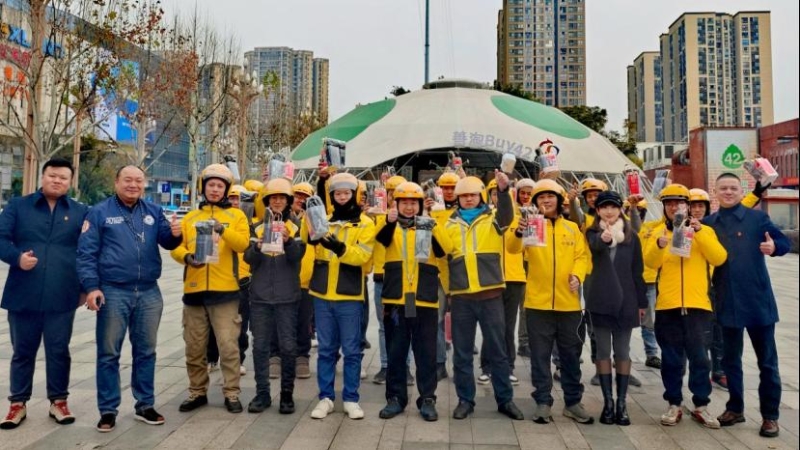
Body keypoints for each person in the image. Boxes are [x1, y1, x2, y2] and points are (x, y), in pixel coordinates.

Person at [77, 165, 183, 432]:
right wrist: (91, 287)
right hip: (113, 291)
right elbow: (86, 253)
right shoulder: (99, 212)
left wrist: (176, 234)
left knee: (146, 351)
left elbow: (167, 242)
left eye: (138, 180)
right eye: (127, 180)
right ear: (116, 182)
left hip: (149, 291)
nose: (133, 185)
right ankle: (108, 410)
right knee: (109, 353)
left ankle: (145, 404)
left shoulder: (153, 211)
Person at [0, 159, 88, 430]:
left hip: (62, 294)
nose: (57, 181)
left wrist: (85, 288)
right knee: (22, 351)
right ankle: (17, 403)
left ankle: (58, 401)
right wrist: (17, 258)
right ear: (43, 176)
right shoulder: (18, 206)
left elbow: (89, 250)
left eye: (63, 177)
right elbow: (1, 239)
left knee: (59, 351)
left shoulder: (80, 212)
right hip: (23, 292)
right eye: (52, 175)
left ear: (70, 182)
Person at [704, 173, 791, 438]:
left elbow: (784, 242)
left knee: (767, 363)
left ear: (741, 191)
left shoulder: (757, 218)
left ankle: (770, 416)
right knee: (730, 361)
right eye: (723, 188)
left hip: (758, 302)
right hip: (727, 301)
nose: (728, 192)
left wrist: (774, 246)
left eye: (733, 188)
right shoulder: (708, 224)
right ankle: (735, 408)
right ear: (715, 192)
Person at [507, 179, 592, 425]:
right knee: (540, 356)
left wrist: (577, 275)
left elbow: (582, 257)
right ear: (535, 202)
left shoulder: (572, 228)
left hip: (569, 305)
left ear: (559, 200)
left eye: (550, 196)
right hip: (537, 304)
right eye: (541, 197)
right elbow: (513, 249)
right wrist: (519, 231)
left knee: (570, 356)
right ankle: (543, 401)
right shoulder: (531, 225)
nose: (546, 200)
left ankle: (573, 402)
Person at [643, 184, 727, 429]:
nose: (674, 207)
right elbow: (649, 262)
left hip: (698, 305)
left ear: (688, 206)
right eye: (669, 203)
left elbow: (719, 257)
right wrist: (659, 245)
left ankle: (701, 405)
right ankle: (674, 404)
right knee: (671, 359)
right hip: (667, 305)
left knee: (700, 358)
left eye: (679, 203)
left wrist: (699, 232)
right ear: (664, 207)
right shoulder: (658, 231)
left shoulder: (705, 230)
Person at [170, 164, 251, 415]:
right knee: (194, 347)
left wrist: (223, 229)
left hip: (225, 292)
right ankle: (197, 391)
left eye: (219, 186)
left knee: (228, 346)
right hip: (194, 291)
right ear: (203, 187)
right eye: (211, 185)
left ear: (226, 189)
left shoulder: (237, 216)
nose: (215, 190)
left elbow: (243, 245)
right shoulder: (191, 218)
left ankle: (231, 392)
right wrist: (187, 257)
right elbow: (176, 247)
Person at [443, 173, 524, 421]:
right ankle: (465, 400)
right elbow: (444, 258)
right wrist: (448, 292)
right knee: (462, 353)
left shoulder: (493, 218)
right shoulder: (449, 224)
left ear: (480, 196)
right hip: (462, 297)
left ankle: (505, 399)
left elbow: (507, 216)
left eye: (473, 195)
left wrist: (504, 191)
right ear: (458, 198)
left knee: (498, 351)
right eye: (464, 196)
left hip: (491, 295)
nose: (468, 199)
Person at [302, 172, 375, 420]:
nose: (342, 197)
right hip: (322, 294)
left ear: (354, 194)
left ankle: (351, 398)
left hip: (349, 295)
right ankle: (326, 398)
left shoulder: (365, 223)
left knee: (352, 351)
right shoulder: (324, 220)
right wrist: (309, 217)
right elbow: (308, 240)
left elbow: (362, 256)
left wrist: (339, 248)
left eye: (346, 193)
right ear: (331, 197)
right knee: (326, 350)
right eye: (337, 193)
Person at [376, 181, 451, 422]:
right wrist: (387, 221)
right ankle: (395, 398)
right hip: (395, 299)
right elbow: (379, 241)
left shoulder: (429, 224)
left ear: (420, 204)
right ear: (396, 204)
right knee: (396, 352)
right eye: (404, 202)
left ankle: (427, 399)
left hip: (424, 299)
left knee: (426, 353)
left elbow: (446, 249)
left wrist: (432, 221)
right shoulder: (389, 225)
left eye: (413, 203)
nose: (409, 207)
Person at [584, 191, 647, 426]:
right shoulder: (592, 233)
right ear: (597, 210)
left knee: (622, 351)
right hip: (600, 300)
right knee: (602, 351)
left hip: (626, 301)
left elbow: (637, 271)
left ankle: (621, 404)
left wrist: (642, 302)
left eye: (613, 207)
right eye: (604, 207)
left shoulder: (632, 237)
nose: (609, 211)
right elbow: (594, 247)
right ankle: (608, 403)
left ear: (620, 209)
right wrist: (604, 238)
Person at [245, 178, 305, 414]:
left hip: (287, 296)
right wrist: (257, 247)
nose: (278, 201)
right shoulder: (258, 226)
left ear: (288, 201)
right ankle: (262, 394)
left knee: (288, 346)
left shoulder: (296, 226)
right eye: (273, 198)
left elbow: (298, 257)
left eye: (282, 198)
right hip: (260, 297)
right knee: (260, 346)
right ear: (267, 201)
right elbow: (248, 259)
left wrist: (289, 243)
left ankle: (287, 394)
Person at [477, 177, 527, 387]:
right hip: (492, 278)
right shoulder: (484, 218)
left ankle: (508, 367)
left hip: (514, 278)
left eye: (500, 193)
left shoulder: (521, 217)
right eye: (494, 193)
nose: (497, 197)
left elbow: (527, 247)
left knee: (508, 326)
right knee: (491, 325)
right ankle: (487, 367)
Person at [206, 184, 252, 376]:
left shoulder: (247, 221)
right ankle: (211, 358)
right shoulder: (217, 218)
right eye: (232, 198)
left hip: (241, 280)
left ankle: (238, 359)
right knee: (211, 324)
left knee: (239, 325)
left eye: (239, 199)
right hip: (218, 279)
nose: (235, 202)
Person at [513, 178, 535, 359]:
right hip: (515, 262)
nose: (526, 196)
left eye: (529, 193)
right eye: (523, 193)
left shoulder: (537, 212)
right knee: (516, 305)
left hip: (532, 261)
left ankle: (525, 342)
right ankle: (518, 342)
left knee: (527, 305)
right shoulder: (512, 210)